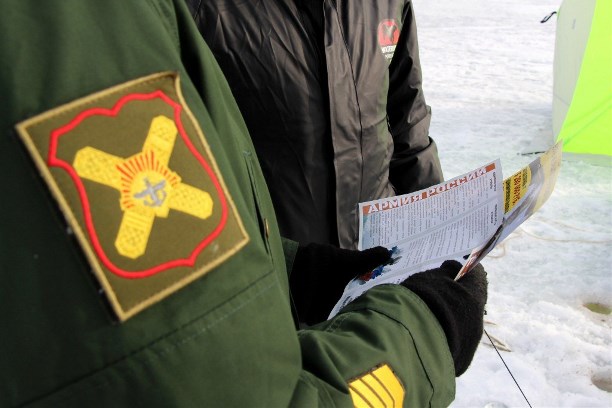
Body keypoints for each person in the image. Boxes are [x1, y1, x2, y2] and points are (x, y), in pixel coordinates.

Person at [0, 1, 487, 406]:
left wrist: (439, 240)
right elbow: (223, 381)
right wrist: (427, 327)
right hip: (264, 304)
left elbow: (407, 122)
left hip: (363, 273)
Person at [187, 1, 444, 250]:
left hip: (378, 259)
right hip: (279, 265)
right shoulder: (197, 9)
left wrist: (438, 238)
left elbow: (409, 128)